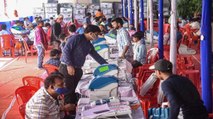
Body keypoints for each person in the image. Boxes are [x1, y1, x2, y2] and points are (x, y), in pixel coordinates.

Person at [59, 25, 108, 116]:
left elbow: (95, 55)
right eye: (96, 34)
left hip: (77, 68)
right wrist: (69, 65)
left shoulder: (88, 43)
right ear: (90, 33)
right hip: (67, 67)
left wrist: (107, 66)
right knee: (69, 91)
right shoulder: (76, 38)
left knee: (75, 90)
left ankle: (74, 110)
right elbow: (66, 51)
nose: (97, 37)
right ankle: (69, 114)